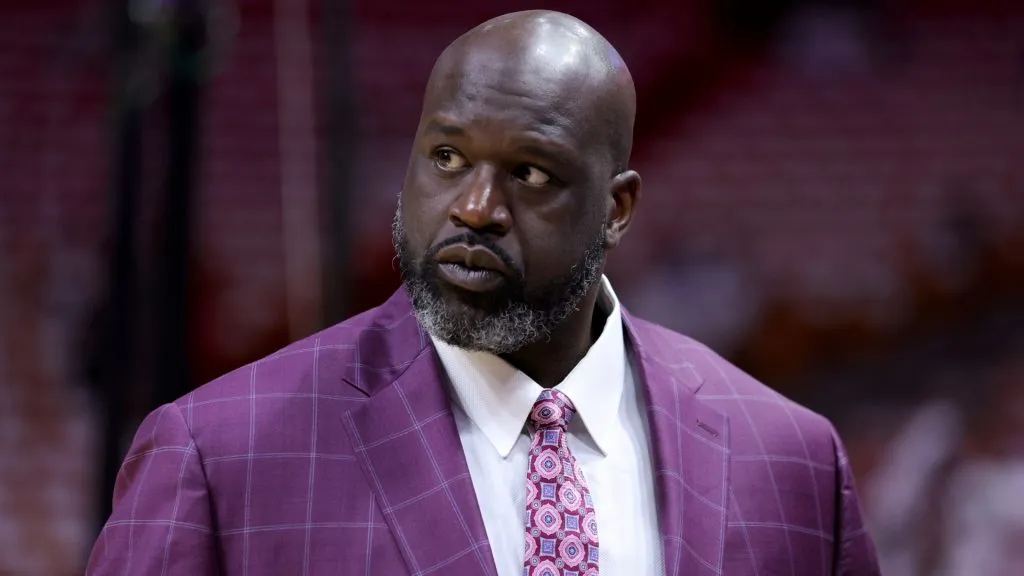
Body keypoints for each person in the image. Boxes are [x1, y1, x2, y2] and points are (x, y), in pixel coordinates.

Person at [87, 10, 880, 576]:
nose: (474, 208)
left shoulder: (793, 463)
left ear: (617, 208)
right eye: (445, 157)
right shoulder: (220, 457)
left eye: (529, 174)